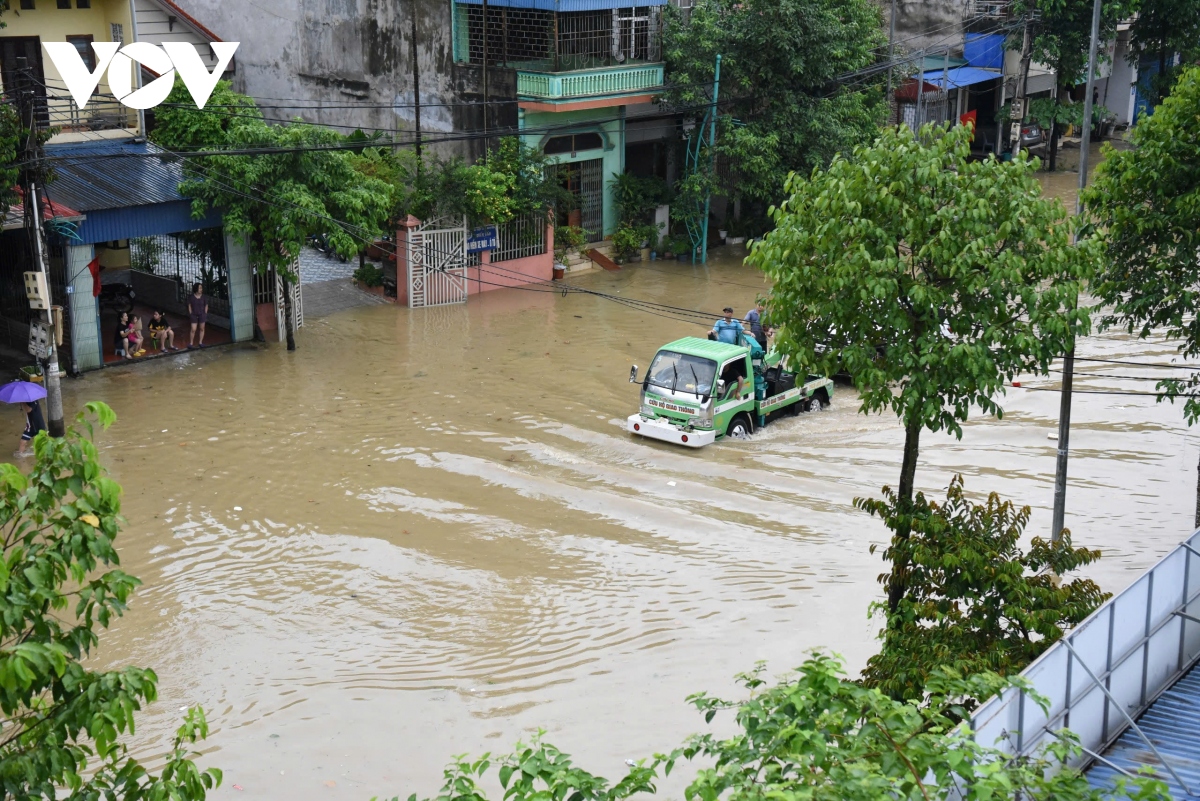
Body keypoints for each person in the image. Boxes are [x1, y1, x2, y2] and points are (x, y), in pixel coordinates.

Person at [188, 283, 208, 349]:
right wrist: (191, 313)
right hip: (194, 314)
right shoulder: (191, 297)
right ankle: (191, 343)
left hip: (202, 314)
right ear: (196, 289)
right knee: (193, 329)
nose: (201, 289)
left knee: (202, 328)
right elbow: (189, 305)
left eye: (201, 288)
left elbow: (206, 305)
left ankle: (200, 342)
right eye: (199, 288)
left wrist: (205, 313)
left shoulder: (204, 297)